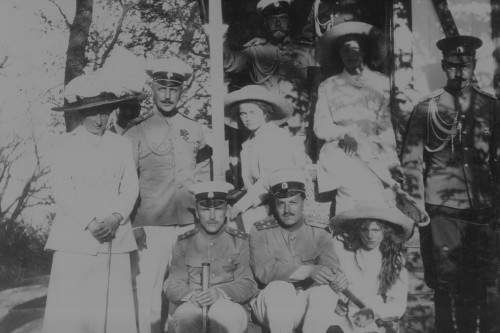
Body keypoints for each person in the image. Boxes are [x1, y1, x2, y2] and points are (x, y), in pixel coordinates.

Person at [401, 35, 500, 333]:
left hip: (481, 207)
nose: (460, 72)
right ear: (445, 66)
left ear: (473, 66)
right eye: (454, 66)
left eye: (466, 66)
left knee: (479, 279)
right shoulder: (426, 108)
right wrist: (418, 206)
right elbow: (411, 160)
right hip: (441, 207)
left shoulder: (490, 107)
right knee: (445, 282)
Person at [43, 72, 139, 333]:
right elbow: (62, 189)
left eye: (106, 112)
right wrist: (90, 222)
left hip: (114, 236)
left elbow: (130, 186)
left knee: (114, 312)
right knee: (73, 313)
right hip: (75, 238)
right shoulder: (65, 144)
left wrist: (116, 216)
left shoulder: (121, 145)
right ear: (80, 113)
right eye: (94, 113)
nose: (100, 120)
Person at [124, 57, 211, 333]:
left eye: (174, 89)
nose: (168, 95)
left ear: (182, 91)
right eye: (162, 88)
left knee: (186, 291)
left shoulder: (196, 130)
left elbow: (203, 177)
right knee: (148, 291)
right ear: (153, 88)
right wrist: (133, 225)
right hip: (151, 225)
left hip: (188, 223)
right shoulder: (136, 130)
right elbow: (126, 183)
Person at [313, 21, 401, 215]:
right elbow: (320, 126)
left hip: (373, 157)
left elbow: (385, 128)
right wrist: (343, 133)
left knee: (377, 213)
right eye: (344, 50)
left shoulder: (381, 82)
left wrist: (392, 161)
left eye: (354, 48)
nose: (350, 54)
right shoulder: (329, 86)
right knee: (350, 212)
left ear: (364, 50)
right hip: (344, 156)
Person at [249, 168, 349, 333]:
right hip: (270, 306)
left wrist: (337, 278)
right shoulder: (260, 230)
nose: (287, 209)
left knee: (325, 292)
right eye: (281, 203)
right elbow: (264, 271)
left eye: (293, 202)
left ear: (304, 201)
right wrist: (308, 271)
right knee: (280, 289)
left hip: (305, 303)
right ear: (274, 204)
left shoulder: (319, 230)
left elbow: (329, 266)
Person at [164, 181, 258, 333]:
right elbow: (173, 282)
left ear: (227, 210)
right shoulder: (184, 242)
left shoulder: (240, 241)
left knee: (222, 315)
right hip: (194, 302)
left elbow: (248, 283)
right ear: (196, 212)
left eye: (218, 209)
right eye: (205, 210)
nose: (212, 216)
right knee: (185, 316)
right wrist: (191, 295)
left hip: (229, 304)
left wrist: (220, 293)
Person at [223, 0, 318, 136]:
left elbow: (317, 89)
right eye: (273, 19)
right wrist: (221, 38)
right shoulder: (255, 51)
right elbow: (229, 63)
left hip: (300, 128)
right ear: (266, 24)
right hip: (268, 128)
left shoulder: (307, 52)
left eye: (283, 18)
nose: (278, 23)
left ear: (290, 22)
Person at [224, 85, 305, 232]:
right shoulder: (251, 141)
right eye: (243, 113)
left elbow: (267, 181)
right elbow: (250, 184)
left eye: (252, 112)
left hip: (279, 203)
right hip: (260, 201)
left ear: (265, 113)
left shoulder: (275, 137)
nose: (247, 118)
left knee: (235, 227)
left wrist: (239, 206)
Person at [329, 202, 412, 333]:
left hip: (373, 315)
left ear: (385, 230)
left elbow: (399, 303)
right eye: (364, 230)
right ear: (357, 230)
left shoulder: (395, 258)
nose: (370, 236)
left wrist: (374, 312)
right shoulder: (343, 249)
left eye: (376, 230)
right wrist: (335, 301)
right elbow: (331, 279)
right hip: (343, 313)